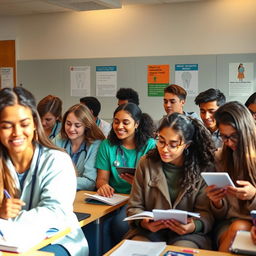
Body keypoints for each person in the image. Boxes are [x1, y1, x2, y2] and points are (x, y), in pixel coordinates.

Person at [0, 87, 88, 256]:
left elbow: (53, 213)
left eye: (24, 124)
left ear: (35, 123)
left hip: (59, 241)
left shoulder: (56, 160)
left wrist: (8, 220)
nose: (17, 133)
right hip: (8, 243)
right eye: (6, 126)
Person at [126, 113, 215, 249]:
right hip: (150, 231)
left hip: (188, 234)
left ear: (187, 145)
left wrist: (193, 226)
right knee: (138, 249)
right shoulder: (146, 162)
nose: (164, 149)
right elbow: (134, 207)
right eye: (161, 141)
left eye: (173, 145)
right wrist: (144, 223)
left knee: (180, 250)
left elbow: (207, 213)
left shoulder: (203, 167)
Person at [95, 102, 155, 251]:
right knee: (98, 223)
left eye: (125, 122)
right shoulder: (107, 145)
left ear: (137, 124)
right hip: (113, 198)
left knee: (120, 224)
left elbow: (155, 184)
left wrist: (138, 183)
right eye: (116, 121)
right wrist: (103, 186)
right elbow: (102, 178)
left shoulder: (151, 146)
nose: (119, 126)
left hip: (139, 198)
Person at [205, 101, 256, 252]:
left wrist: (253, 195)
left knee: (241, 228)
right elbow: (220, 215)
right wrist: (217, 202)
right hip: (228, 223)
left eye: (234, 136)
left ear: (246, 131)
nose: (228, 143)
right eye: (224, 137)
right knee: (238, 227)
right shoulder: (220, 157)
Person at [52, 104, 105, 191]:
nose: (71, 129)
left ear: (86, 126)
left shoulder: (95, 144)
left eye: (77, 125)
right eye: (68, 124)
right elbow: (47, 171)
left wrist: (59, 181)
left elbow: (89, 182)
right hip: (59, 192)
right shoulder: (59, 139)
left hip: (82, 196)